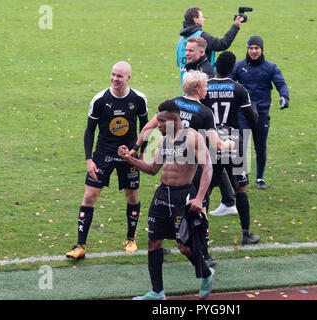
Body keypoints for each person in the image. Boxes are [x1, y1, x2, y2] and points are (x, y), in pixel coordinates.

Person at [133, 71, 232, 266]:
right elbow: (215, 144)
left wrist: (136, 149)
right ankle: (204, 254)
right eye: (205, 86)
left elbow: (147, 128)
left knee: (173, 208)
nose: (206, 89)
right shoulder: (204, 112)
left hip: (170, 159)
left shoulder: (172, 105)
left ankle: (176, 240)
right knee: (199, 207)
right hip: (191, 167)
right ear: (197, 89)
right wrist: (229, 144)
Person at [118, 99, 214, 300]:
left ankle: (206, 274)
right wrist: (130, 159)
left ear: (175, 119)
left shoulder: (192, 138)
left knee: (184, 247)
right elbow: (153, 169)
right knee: (153, 241)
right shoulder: (163, 140)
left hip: (183, 196)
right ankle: (157, 291)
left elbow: (208, 167)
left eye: (161, 121)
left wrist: (199, 198)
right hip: (162, 195)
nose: (158, 125)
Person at [65, 61, 148, 259]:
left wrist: (140, 152)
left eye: (119, 76)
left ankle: (130, 238)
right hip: (102, 155)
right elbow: (89, 131)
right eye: (113, 74)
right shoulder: (100, 99)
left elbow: (146, 128)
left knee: (132, 197)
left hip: (128, 156)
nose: (114, 79)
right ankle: (80, 245)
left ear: (128, 77)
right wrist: (88, 159)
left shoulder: (139, 99)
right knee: (89, 197)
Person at [202, 51, 260, 245]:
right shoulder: (239, 89)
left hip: (211, 141)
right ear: (232, 69)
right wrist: (255, 112)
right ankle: (246, 234)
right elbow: (251, 119)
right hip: (233, 140)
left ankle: (202, 234)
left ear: (215, 66)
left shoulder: (205, 87)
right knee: (240, 189)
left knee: (206, 190)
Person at [184, 36, 237, 217]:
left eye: (190, 50)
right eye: (186, 50)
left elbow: (208, 105)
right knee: (211, 163)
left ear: (201, 52)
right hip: (200, 127)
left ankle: (207, 204)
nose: (187, 53)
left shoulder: (205, 73)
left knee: (208, 164)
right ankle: (228, 200)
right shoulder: (194, 67)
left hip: (204, 128)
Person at [231, 36, 290, 189]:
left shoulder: (271, 67)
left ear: (262, 49)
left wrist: (284, 97)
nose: (254, 51)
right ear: (247, 49)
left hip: (261, 113)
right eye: (251, 48)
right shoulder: (239, 66)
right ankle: (240, 176)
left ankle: (259, 178)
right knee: (240, 144)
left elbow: (281, 83)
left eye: (257, 48)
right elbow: (229, 82)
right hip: (242, 113)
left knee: (260, 146)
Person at [177, 6, 244, 83]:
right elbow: (222, 44)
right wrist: (235, 26)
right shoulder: (201, 36)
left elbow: (180, 63)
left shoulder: (180, 41)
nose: (204, 19)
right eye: (201, 17)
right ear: (195, 20)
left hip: (186, 86)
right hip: (204, 84)